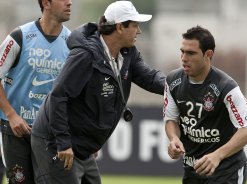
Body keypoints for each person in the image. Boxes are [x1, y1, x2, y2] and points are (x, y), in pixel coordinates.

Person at [30, 0, 166, 183]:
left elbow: (150, 78)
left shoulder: (128, 53)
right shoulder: (85, 55)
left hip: (82, 146)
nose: (139, 31)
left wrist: (180, 87)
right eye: (135, 25)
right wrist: (63, 142)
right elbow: (58, 96)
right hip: (55, 143)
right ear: (119, 27)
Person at [163, 25, 247, 184]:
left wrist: (217, 155)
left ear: (208, 54)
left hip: (226, 172)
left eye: (191, 53)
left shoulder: (226, 86)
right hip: (193, 170)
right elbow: (171, 119)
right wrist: (174, 138)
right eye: (182, 51)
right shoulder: (173, 81)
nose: (184, 58)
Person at [0, 0, 72, 183]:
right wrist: (11, 115)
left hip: (50, 133)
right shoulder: (19, 36)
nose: (69, 2)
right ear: (46, 3)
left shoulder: (72, 43)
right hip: (15, 131)